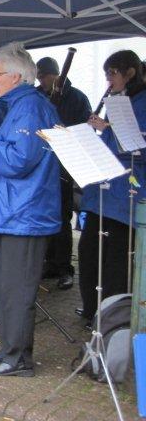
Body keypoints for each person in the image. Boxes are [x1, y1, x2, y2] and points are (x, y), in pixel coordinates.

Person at [0, 43, 61, 377]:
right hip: (15, 212)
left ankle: (19, 359)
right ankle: (9, 350)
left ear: (15, 75)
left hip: (26, 213)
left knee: (18, 291)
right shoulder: (18, 106)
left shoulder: (30, 108)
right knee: (7, 289)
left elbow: (17, 160)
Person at [78, 50, 146, 323]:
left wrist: (106, 128)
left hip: (126, 192)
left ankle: (112, 318)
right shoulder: (118, 99)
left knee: (116, 260)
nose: (108, 79)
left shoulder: (141, 101)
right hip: (101, 191)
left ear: (129, 72)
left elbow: (138, 146)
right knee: (89, 251)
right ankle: (91, 310)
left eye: (112, 73)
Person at [36, 57, 91, 290]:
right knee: (43, 215)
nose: (41, 81)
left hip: (62, 165)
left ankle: (64, 267)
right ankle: (48, 262)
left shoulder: (77, 97)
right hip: (41, 165)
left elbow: (84, 130)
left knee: (61, 217)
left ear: (55, 75)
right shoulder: (38, 95)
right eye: (39, 77)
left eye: (44, 76)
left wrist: (63, 132)